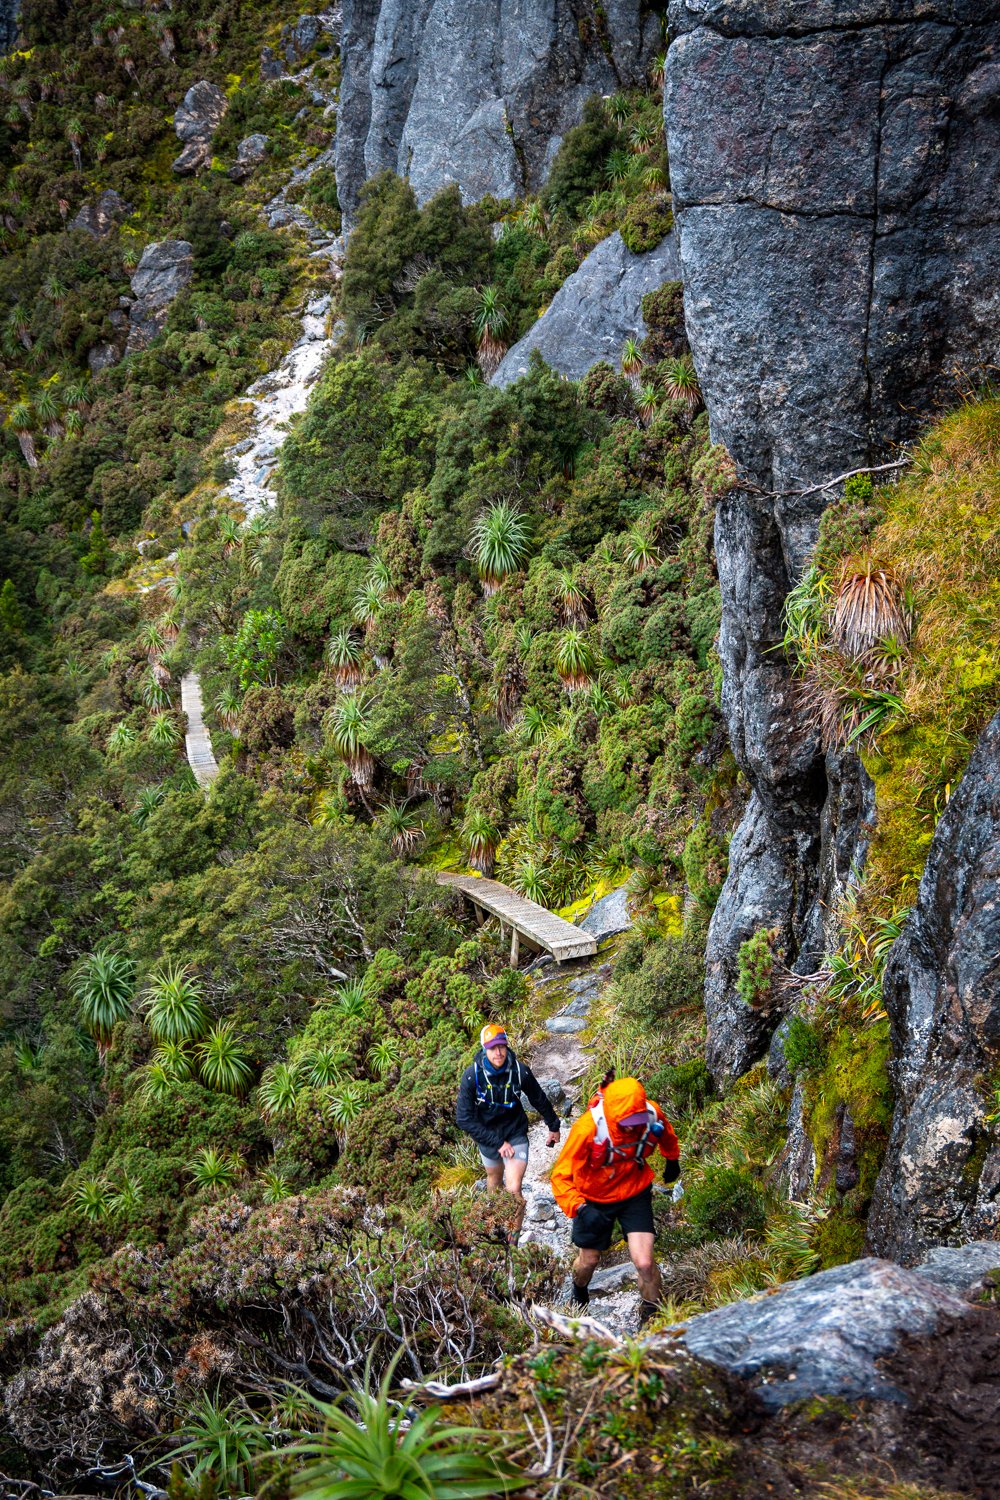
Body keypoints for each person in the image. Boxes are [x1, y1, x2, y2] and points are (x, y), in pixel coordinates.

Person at [551, 1074, 680, 1323]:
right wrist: (579, 1208)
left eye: (638, 1120)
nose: (634, 1127)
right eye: (628, 1122)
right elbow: (560, 1176)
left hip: (634, 1191)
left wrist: (672, 1157)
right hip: (593, 1199)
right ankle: (579, 1291)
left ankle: (653, 1318)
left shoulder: (650, 1113)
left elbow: (666, 1133)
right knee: (588, 1261)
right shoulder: (587, 1129)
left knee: (644, 1262)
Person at [456, 1022, 561, 1235]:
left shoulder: (519, 1071)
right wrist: (497, 1143)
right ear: (485, 1049)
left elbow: (538, 1098)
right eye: (493, 1047)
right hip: (488, 1136)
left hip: (515, 1133)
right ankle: (496, 1228)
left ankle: (512, 1241)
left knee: (513, 1190)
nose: (498, 1051)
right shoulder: (472, 1076)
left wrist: (554, 1125)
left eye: (502, 1046)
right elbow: (463, 1119)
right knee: (494, 1181)